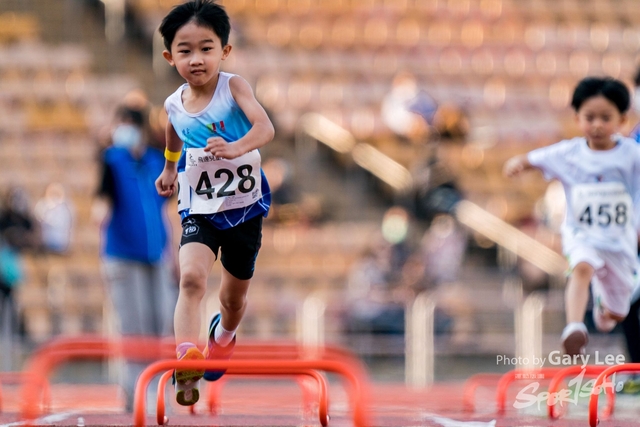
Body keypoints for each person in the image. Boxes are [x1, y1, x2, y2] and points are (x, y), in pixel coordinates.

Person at [155, 0, 274, 406]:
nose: (196, 59)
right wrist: (171, 169)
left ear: (224, 51)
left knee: (232, 299)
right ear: (170, 57)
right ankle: (187, 354)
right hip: (199, 208)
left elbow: (265, 127)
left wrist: (235, 148)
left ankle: (222, 335)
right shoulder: (172, 104)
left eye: (206, 48)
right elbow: (173, 131)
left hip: (244, 207)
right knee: (190, 278)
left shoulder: (233, 86)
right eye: (185, 51)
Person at [503, 76, 640, 356]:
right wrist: (518, 163)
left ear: (622, 120)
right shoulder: (568, 153)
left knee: (619, 311)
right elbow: (535, 158)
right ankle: (574, 326)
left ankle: (606, 308)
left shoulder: (632, 155)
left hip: (620, 241)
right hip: (582, 234)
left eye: (606, 117)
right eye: (590, 117)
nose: (598, 125)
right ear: (577, 118)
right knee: (581, 268)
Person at [92, 103, 178, 411]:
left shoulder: (157, 161)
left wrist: (175, 254)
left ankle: (157, 389)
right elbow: (102, 199)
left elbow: (166, 209)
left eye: (126, 123)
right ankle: (133, 394)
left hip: (156, 255)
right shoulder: (112, 159)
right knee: (133, 326)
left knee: (160, 323)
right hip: (123, 257)